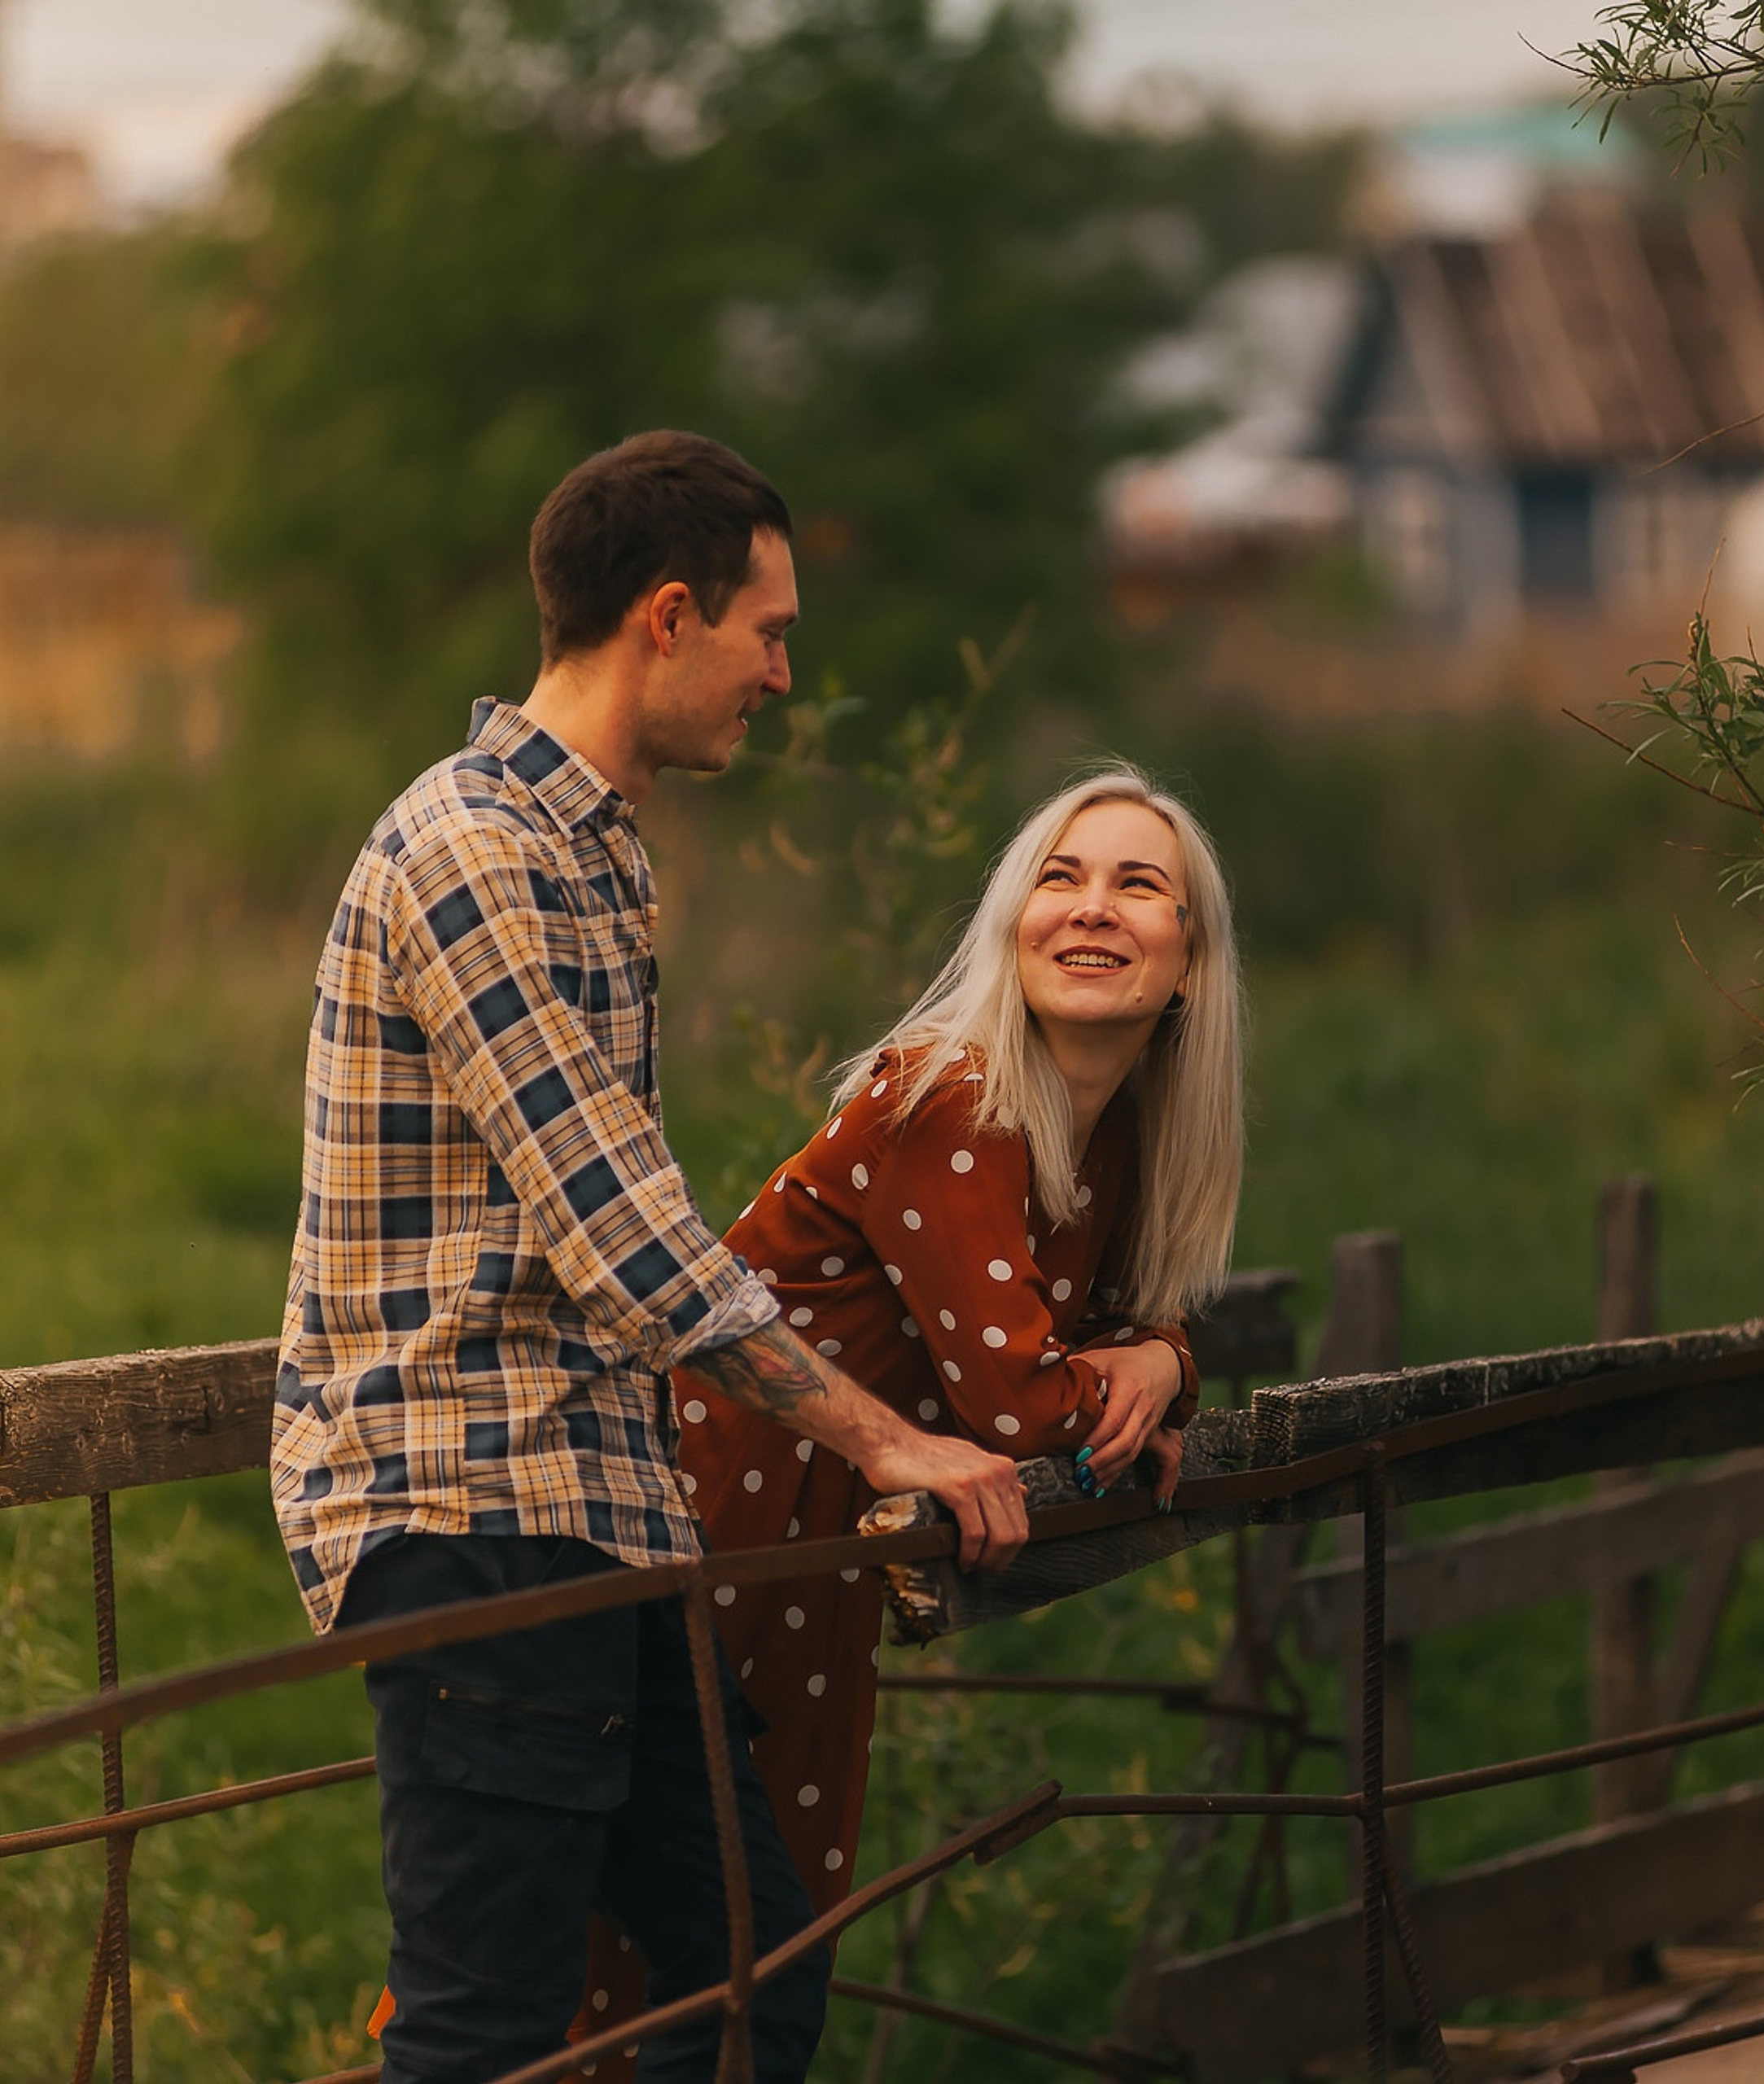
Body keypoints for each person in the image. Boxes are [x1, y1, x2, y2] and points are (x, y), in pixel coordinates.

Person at [270, 430, 1029, 2084]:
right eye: (768, 631)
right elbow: (619, 1235)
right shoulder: (473, 849)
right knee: (480, 2030)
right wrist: (889, 1440)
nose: (780, 671)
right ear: (665, 616)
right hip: (474, 1511)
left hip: (599, 1513)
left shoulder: (594, 847)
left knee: (753, 1968)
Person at [580, 768, 1241, 2049]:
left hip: (812, 1571)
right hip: (705, 1540)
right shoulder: (952, 1096)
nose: (1092, 909)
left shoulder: (1108, 1138)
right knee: (628, 1974)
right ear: (1011, 924)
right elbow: (1023, 1404)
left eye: (1137, 885)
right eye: (1060, 877)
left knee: (733, 1970)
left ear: (1192, 966)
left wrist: (1159, 1351)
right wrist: (1159, 1369)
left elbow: (1083, 1352)